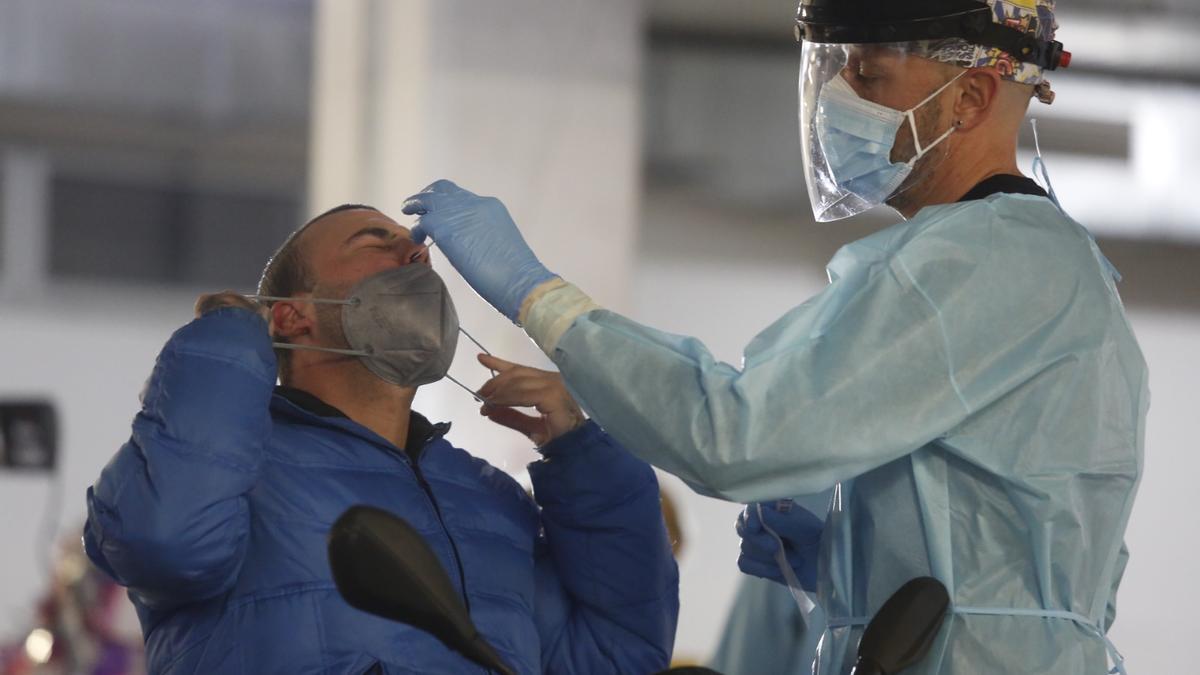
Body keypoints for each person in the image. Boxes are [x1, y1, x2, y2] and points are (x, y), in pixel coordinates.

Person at [395, 0, 1147, 672]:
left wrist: (538, 296)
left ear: (973, 96)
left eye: (870, 73)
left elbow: (733, 431)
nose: (838, 98)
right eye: (838, 70)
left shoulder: (983, 260)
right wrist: (854, 563)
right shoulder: (1044, 265)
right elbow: (1015, 537)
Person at [81, 204, 679, 674]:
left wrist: (583, 453)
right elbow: (165, 545)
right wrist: (230, 340)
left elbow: (614, 651)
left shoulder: (489, 500)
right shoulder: (241, 477)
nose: (415, 252)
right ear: (291, 316)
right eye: (374, 242)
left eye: (415, 246)